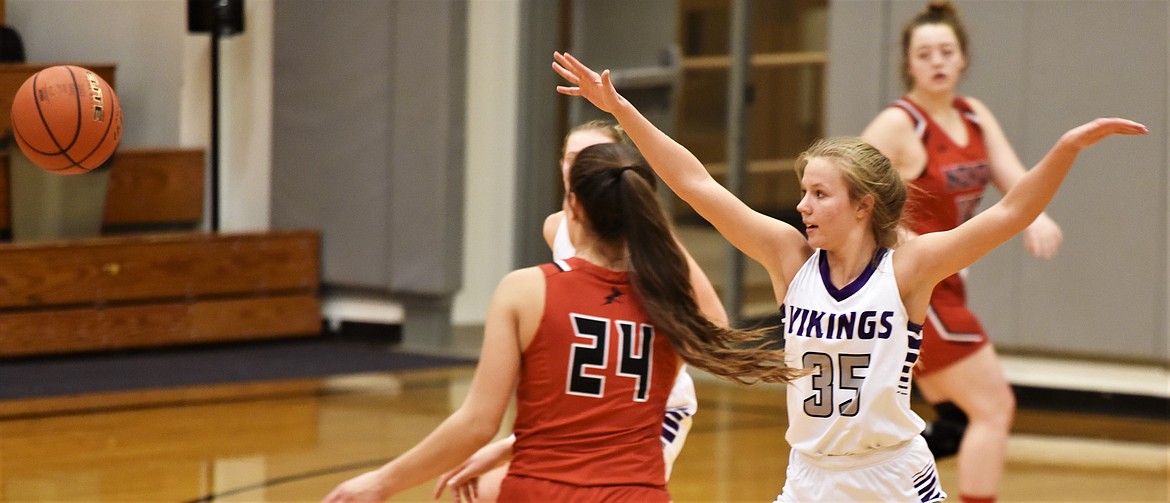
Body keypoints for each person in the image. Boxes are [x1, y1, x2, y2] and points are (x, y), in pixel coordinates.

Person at [552, 50, 1145, 502]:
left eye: (818, 194)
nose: (802, 206)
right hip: (809, 476)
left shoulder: (910, 267)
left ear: (862, 206)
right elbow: (696, 184)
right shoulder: (789, 257)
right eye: (802, 192)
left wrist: (1067, 147)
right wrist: (621, 111)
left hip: (890, 475)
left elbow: (1012, 212)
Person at [322, 141, 804, 503]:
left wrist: (379, 484)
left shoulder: (526, 289)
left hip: (542, 491)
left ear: (573, 206)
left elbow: (476, 424)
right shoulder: (668, 295)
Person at [432, 120, 729, 502]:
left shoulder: (646, 246)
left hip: (650, 413)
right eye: (572, 157)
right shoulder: (557, 229)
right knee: (478, 490)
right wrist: (514, 442)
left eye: (593, 156)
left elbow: (714, 326)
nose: (578, 166)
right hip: (586, 408)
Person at [858, 2, 1060, 501]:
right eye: (924, 53)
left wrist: (1039, 216)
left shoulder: (973, 115)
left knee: (954, 421)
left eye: (946, 51)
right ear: (908, 63)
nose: (936, 61)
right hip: (915, 283)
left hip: (949, 281)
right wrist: (896, 236)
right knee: (992, 407)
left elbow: (1017, 184)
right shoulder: (898, 124)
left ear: (963, 58)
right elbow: (847, 188)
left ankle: (871, 483)